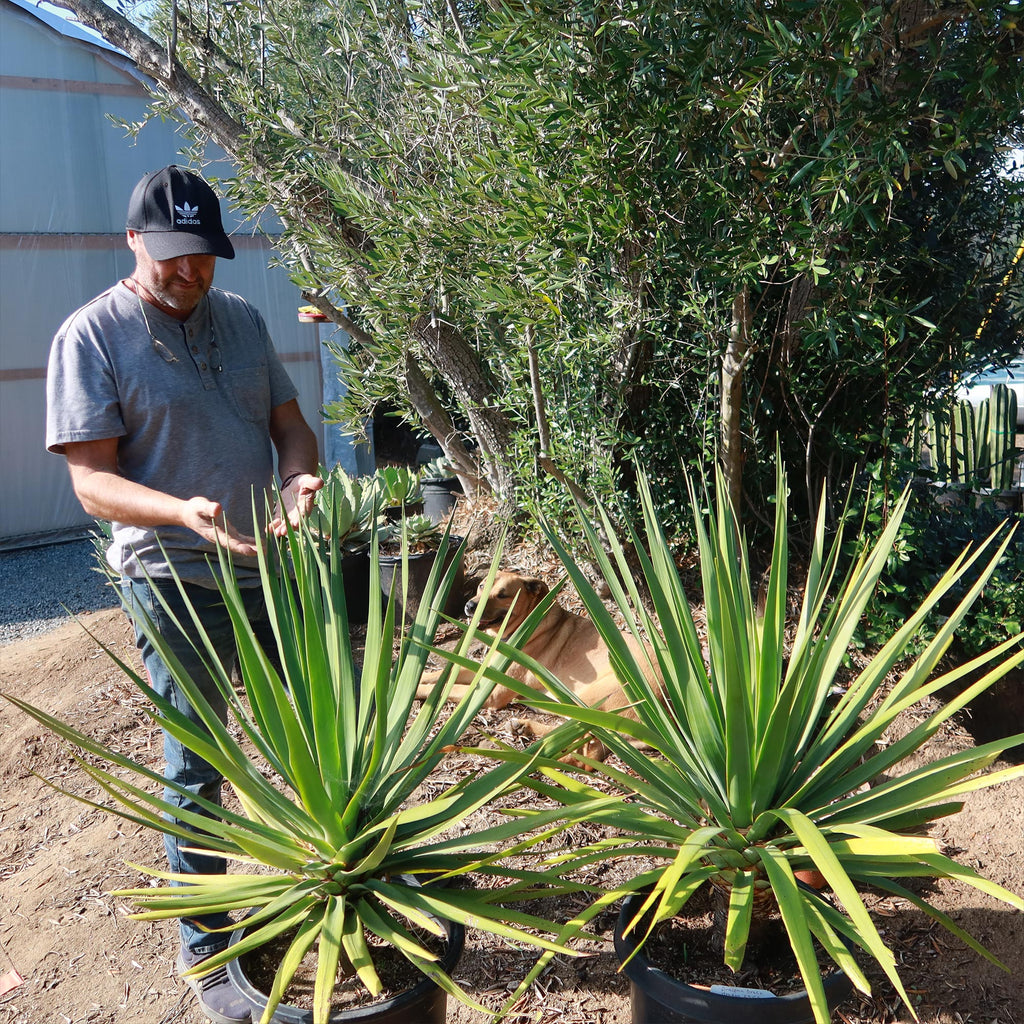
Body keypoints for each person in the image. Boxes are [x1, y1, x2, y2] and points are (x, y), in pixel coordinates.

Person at [45, 165, 323, 1024]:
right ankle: (206, 952)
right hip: (172, 579)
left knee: (315, 725)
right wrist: (180, 511)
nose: (191, 271)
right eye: (173, 255)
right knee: (199, 765)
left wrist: (298, 480)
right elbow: (92, 483)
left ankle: (333, 880)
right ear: (134, 240)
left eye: (203, 255)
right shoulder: (90, 337)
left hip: (270, 565)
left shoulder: (241, 319)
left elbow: (289, 427)